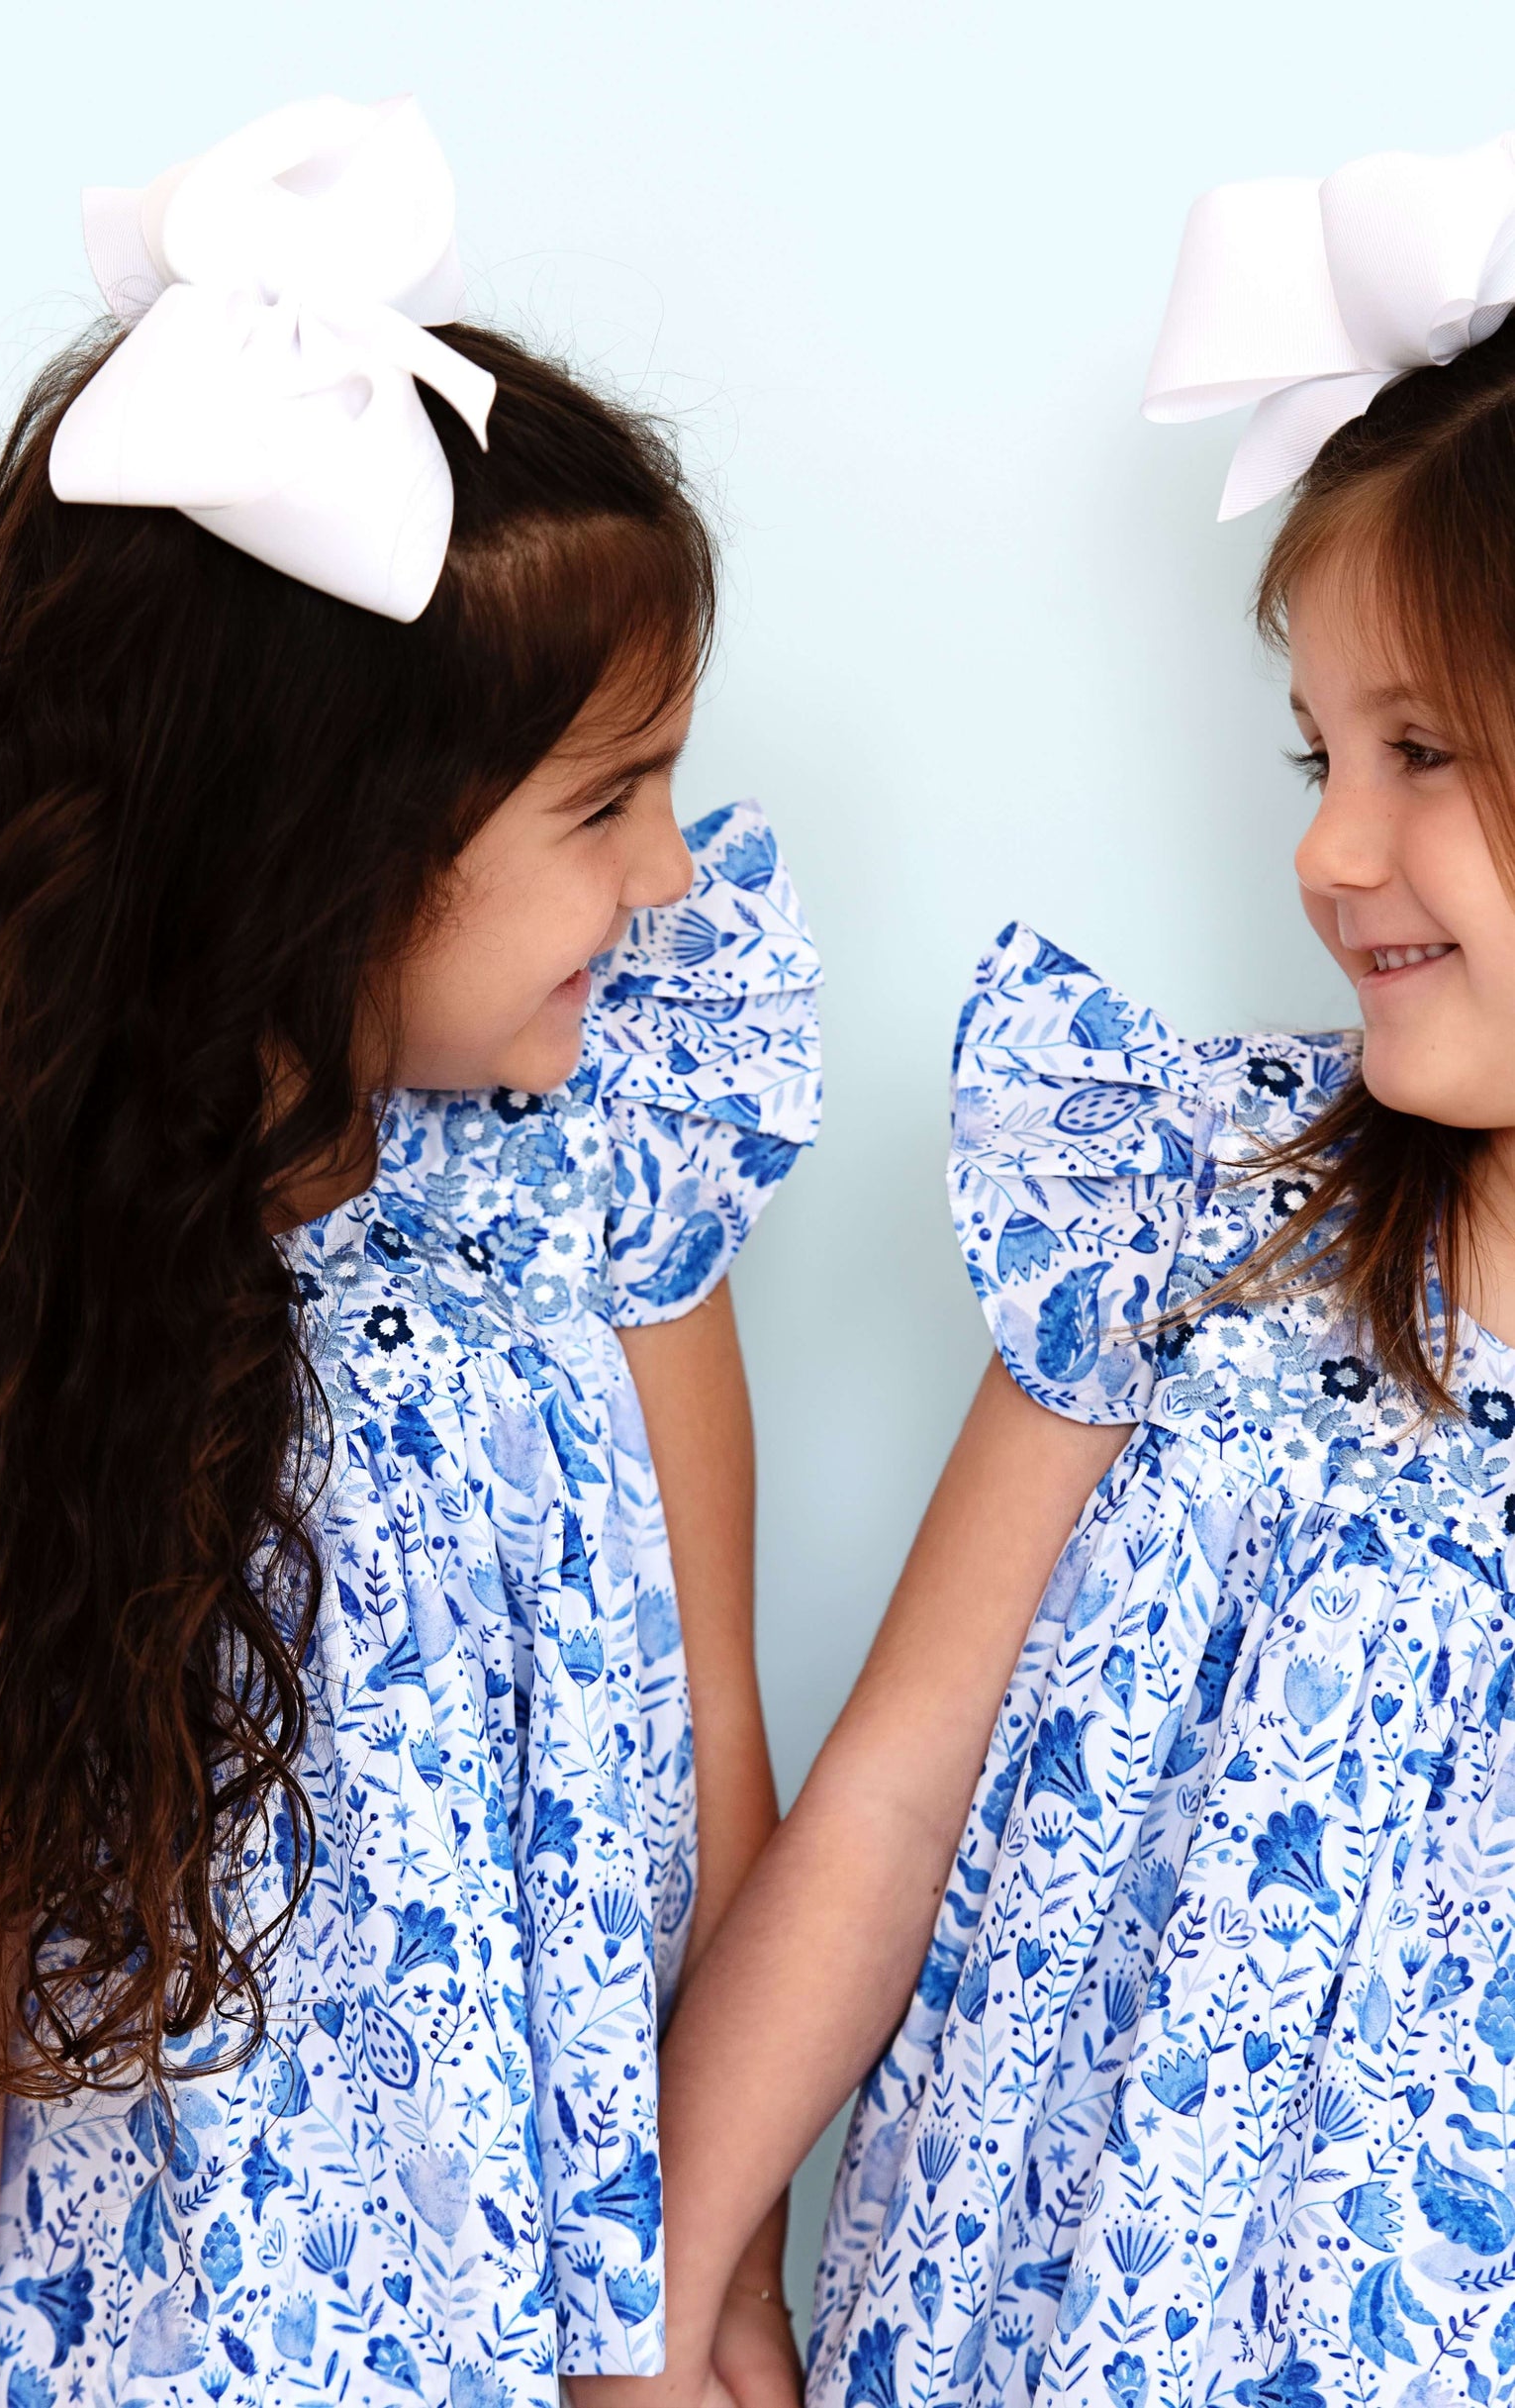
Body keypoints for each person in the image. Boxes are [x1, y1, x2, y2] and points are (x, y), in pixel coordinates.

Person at [0, 97, 818, 2408]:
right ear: (321, 855)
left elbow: (708, 1749)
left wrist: (714, 2292)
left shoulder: (607, 1187)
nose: (666, 877)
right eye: (599, 803)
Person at [574, 132, 1515, 2408]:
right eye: (1317, 749)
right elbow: (891, 1797)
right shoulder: (1202, 1211)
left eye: (1423, 755)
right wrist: (660, 2298)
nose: (1324, 843)